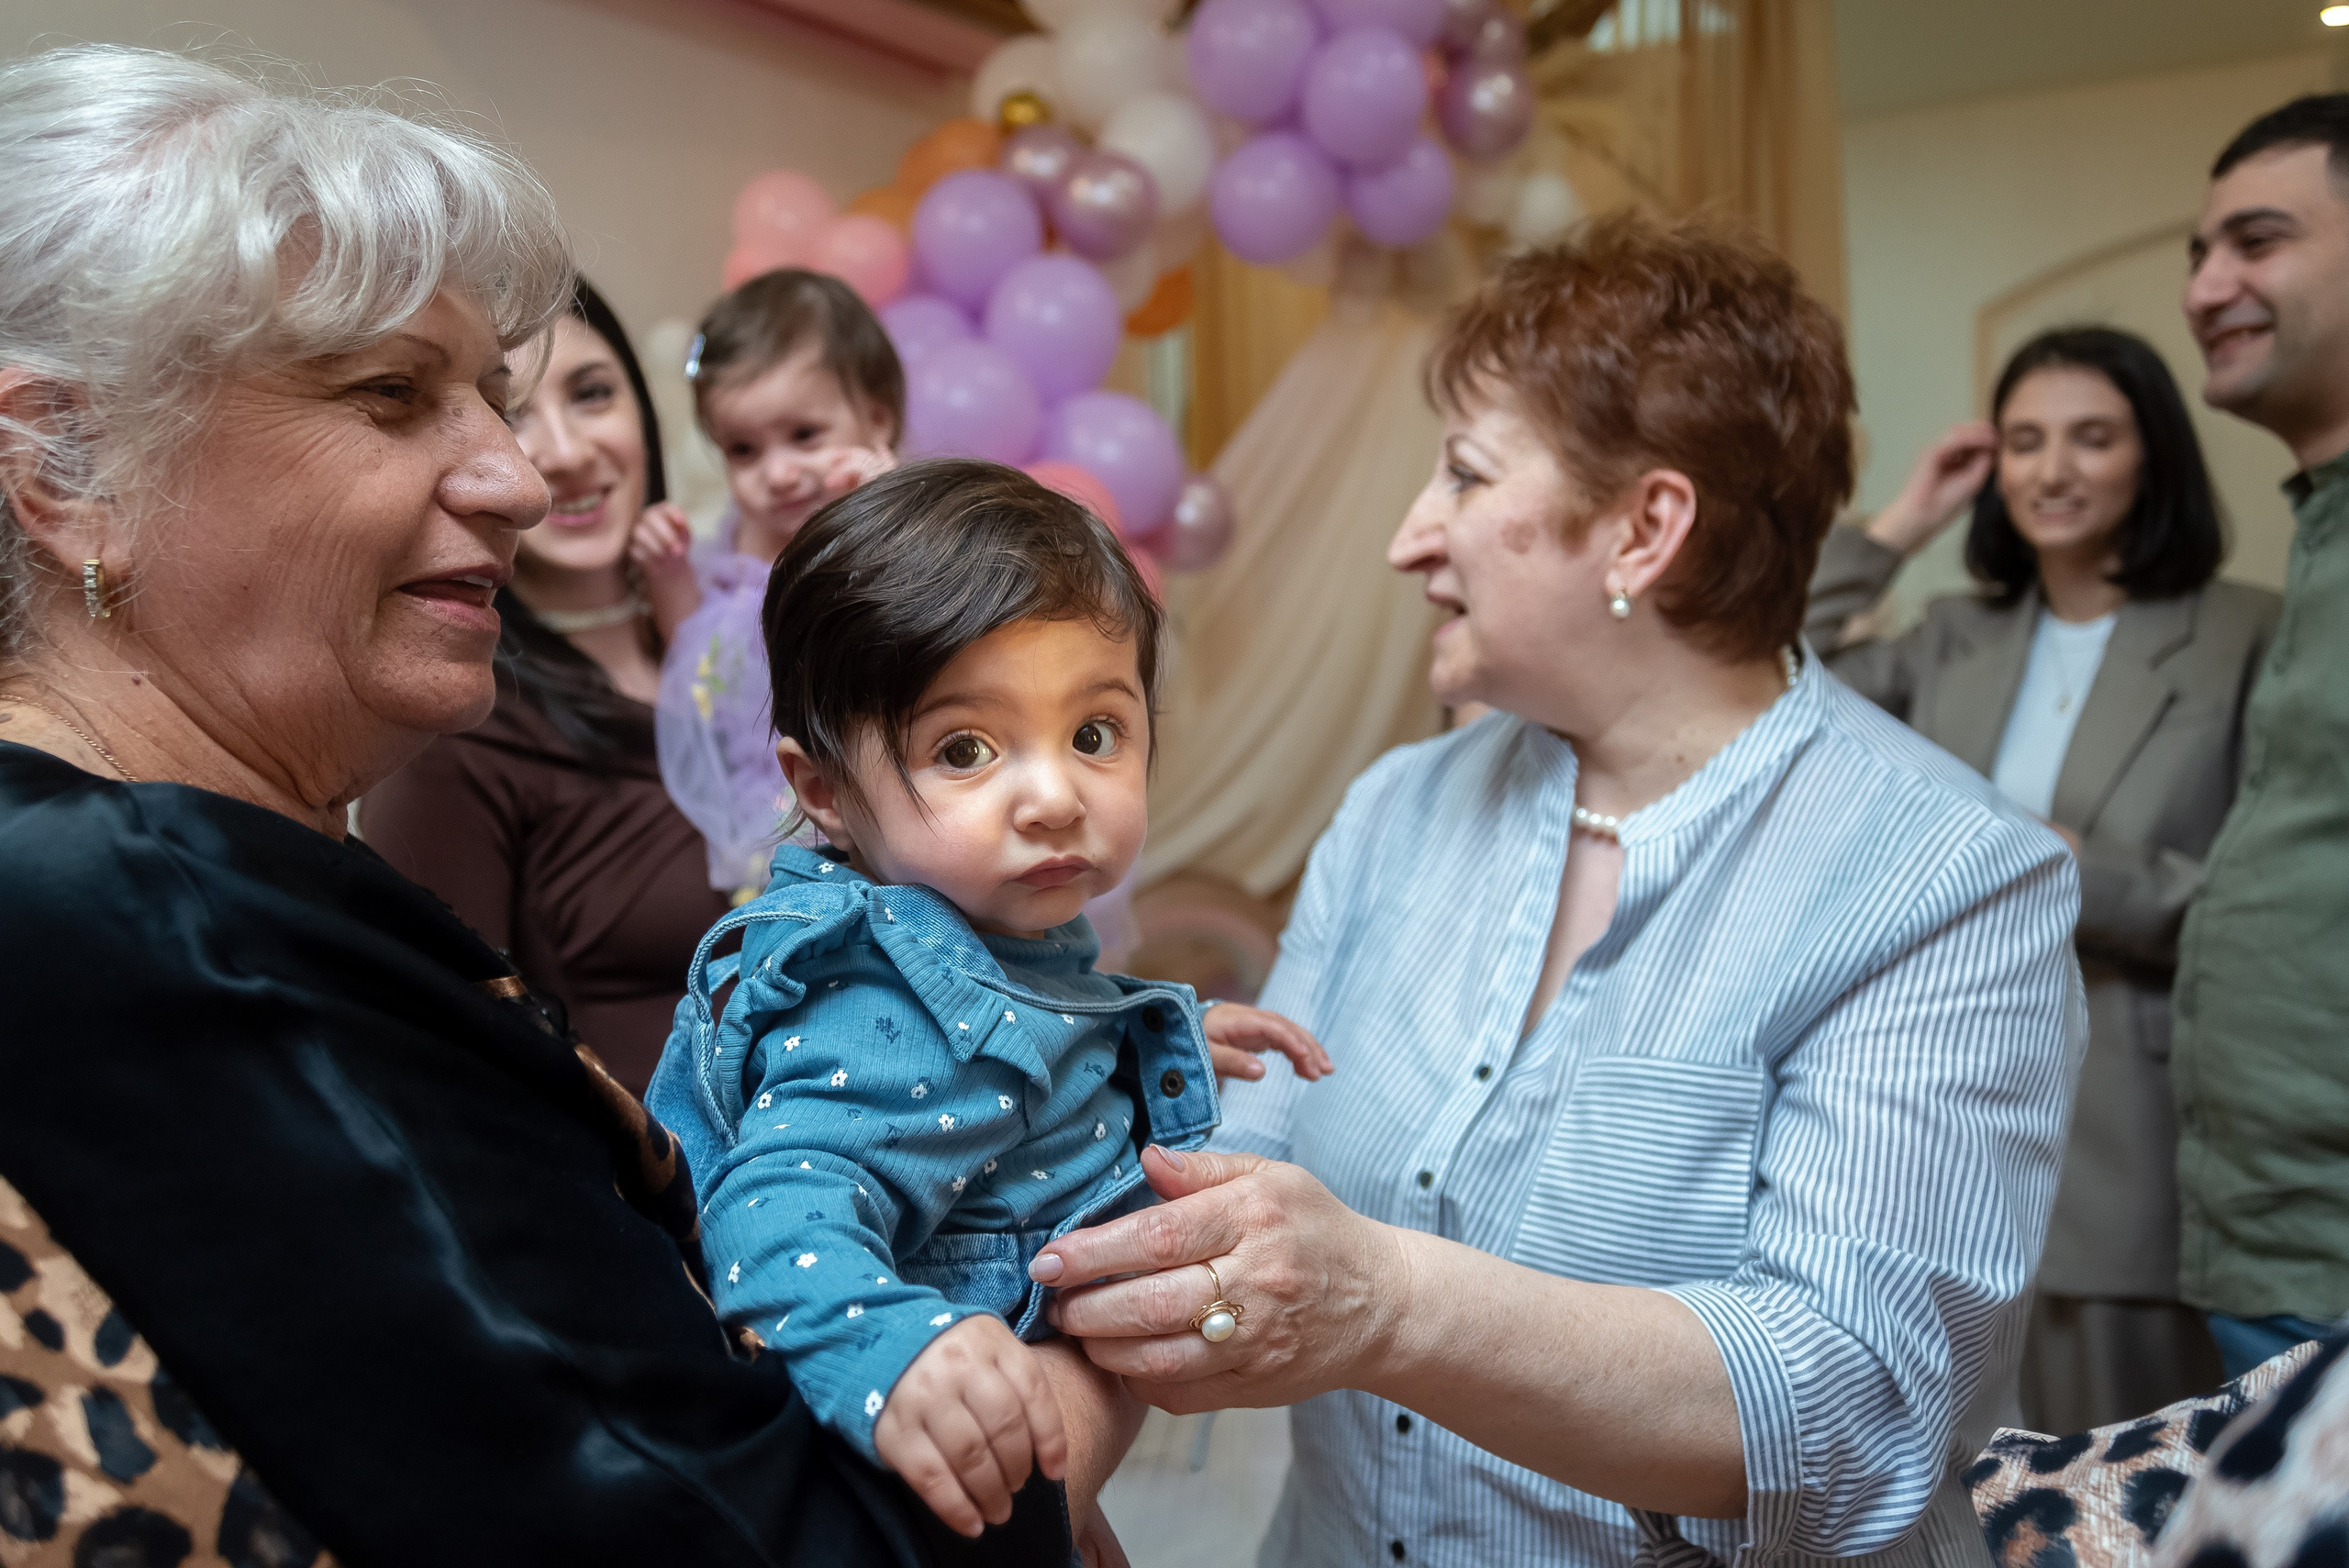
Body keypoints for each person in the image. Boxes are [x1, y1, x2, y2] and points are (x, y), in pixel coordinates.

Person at [0, 45, 1128, 1565]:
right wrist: (1086, 1382)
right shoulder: (148, 927)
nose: (520, 479)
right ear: (70, 466)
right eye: (394, 393)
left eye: (502, 394)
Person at [1026, 215, 2087, 1568]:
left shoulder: (1948, 881)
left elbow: (1849, 1411)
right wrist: (1063, 1447)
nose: (1413, 538)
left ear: (1646, 529)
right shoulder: (1396, 808)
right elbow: (1242, 1175)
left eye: (1465, 476)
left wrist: (1393, 1303)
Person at [646, 460, 1330, 1540]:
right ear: (823, 788)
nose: (1056, 795)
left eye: (1094, 732)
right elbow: (775, 1209)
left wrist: (1151, 1035)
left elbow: (1011, 1040)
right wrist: (898, 1352)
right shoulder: (872, 1001)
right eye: (965, 748)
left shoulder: (971, 919)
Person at [1805, 327, 2277, 1430]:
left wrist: (2077, 872)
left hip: (2137, 1125)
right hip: (1933, 1123)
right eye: (2023, 441)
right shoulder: (1949, 637)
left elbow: (2272, 894)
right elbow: (1767, 676)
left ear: (2151, 455)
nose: (2051, 469)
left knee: (2127, 1478)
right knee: (1974, 1492)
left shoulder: (2246, 629)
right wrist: (1898, 523)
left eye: (2091, 437)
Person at [362, 278, 727, 1092]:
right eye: (512, 411)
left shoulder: (737, 639)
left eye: (592, 394)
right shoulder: (462, 723)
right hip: (667, 1198)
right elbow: (437, 1062)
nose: (562, 451)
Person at [2172, 94, 2349, 1377]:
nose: (2207, 286)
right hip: (2282, 1253)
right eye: (2198, 253)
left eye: (2257, 241)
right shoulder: (2322, 531)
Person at [642, 269, 901, 898]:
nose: (779, 473)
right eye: (744, 450)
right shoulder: (735, 543)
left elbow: (910, 631)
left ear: (876, 420)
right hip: (765, 802)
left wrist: (882, 511)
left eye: (805, 436)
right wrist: (670, 574)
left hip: (882, 789)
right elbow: (697, 660)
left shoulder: (893, 515)